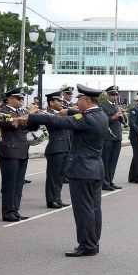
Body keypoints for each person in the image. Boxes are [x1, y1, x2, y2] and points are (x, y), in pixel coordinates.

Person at [19, 84, 107, 257]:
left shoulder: (86, 119)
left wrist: (30, 117)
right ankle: (93, 243)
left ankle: (86, 245)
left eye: (79, 100)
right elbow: (78, 115)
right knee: (94, 209)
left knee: (83, 210)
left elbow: (57, 121)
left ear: (87, 101)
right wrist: (70, 112)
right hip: (95, 169)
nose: (77, 103)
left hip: (82, 170)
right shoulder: (100, 115)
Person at [0, 87, 40, 222]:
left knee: (19, 184)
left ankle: (15, 209)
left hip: (21, 150)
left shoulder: (21, 111)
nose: (22, 101)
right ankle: (7, 212)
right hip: (9, 151)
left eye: (22, 98)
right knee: (9, 184)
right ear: (10, 99)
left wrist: (33, 117)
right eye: (19, 98)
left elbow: (32, 128)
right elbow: (12, 124)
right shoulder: (2, 111)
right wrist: (27, 114)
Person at [42, 92, 71, 209]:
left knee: (60, 177)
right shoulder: (48, 114)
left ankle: (57, 198)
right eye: (58, 101)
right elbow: (56, 123)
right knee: (52, 177)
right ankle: (50, 199)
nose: (61, 102)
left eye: (61, 101)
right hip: (55, 149)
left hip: (65, 147)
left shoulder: (62, 114)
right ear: (51, 103)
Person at [100, 86, 125, 191]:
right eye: (112, 95)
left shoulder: (117, 106)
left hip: (117, 137)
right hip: (108, 138)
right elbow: (101, 120)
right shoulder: (103, 107)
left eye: (116, 95)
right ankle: (104, 182)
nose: (114, 97)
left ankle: (110, 181)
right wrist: (113, 117)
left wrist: (122, 115)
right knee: (106, 161)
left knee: (113, 161)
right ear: (108, 95)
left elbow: (124, 122)